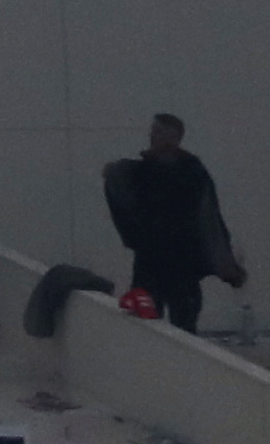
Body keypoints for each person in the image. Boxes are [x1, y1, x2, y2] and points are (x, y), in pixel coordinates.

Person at [101, 116, 239, 333]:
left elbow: (209, 219)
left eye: (159, 131)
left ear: (175, 137)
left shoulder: (190, 173)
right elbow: (210, 219)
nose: (152, 136)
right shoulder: (154, 171)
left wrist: (224, 262)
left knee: (177, 321)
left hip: (177, 260)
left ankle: (173, 363)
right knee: (148, 321)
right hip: (159, 259)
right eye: (153, 131)